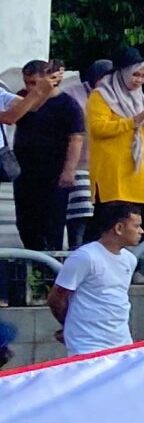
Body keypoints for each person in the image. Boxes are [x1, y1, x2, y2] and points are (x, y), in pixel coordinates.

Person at [7, 60, 84, 285]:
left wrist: (69, 171)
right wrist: (35, 94)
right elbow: (12, 116)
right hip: (25, 172)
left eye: (34, 82)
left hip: (54, 173)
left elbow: (76, 139)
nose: (30, 87)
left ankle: (51, 277)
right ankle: (33, 270)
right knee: (26, 222)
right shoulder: (24, 98)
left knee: (51, 225)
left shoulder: (68, 105)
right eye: (26, 82)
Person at [84, 48, 144, 218]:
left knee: (132, 227)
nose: (138, 80)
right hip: (111, 175)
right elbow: (98, 128)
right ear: (122, 74)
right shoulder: (101, 96)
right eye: (135, 75)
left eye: (142, 76)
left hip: (137, 176)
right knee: (109, 224)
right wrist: (135, 120)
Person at [49, 200, 144, 355]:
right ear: (119, 228)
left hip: (122, 342)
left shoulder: (130, 259)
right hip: (87, 345)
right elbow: (57, 297)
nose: (141, 231)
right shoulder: (85, 257)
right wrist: (69, 325)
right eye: (136, 226)